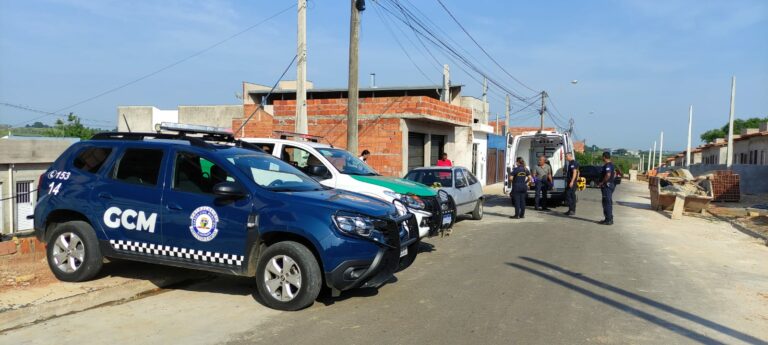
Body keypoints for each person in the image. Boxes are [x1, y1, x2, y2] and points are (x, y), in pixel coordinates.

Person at [598, 152, 616, 225]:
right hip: (610, 185)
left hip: (607, 186)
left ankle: (608, 220)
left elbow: (608, 174)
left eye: (602, 157)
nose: (602, 158)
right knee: (607, 202)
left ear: (604, 157)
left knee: (607, 203)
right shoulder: (611, 164)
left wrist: (602, 182)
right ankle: (608, 218)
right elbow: (614, 173)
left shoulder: (608, 165)